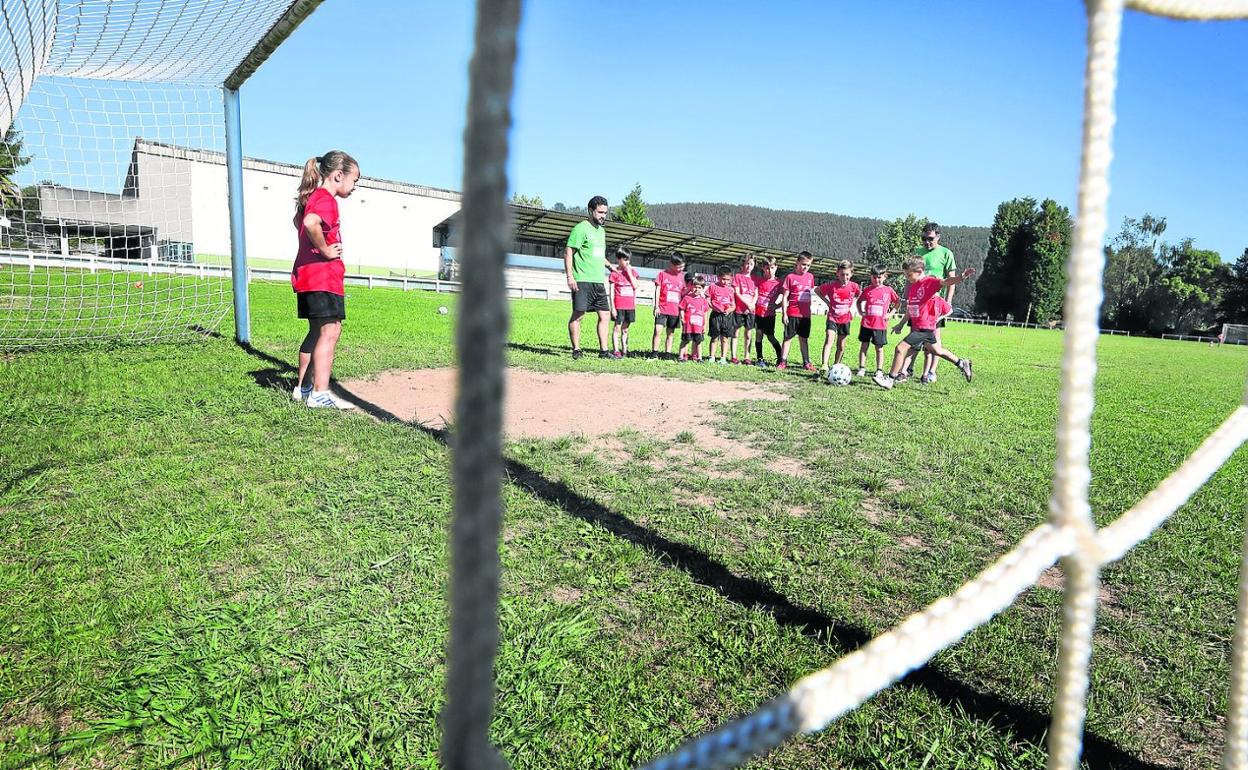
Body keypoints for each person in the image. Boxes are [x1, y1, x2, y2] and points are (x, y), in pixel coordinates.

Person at [291, 150, 359, 410]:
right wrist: (325, 250)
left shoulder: (312, 198)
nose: (354, 187)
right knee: (331, 330)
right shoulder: (325, 199)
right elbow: (310, 223)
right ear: (338, 175)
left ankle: (303, 388)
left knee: (316, 331)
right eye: (354, 180)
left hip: (307, 278)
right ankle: (320, 394)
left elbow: (300, 220)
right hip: (322, 278)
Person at [873, 258, 976, 390]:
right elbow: (912, 308)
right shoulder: (913, 286)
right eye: (905, 275)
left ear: (919, 271)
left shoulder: (929, 282)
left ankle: (890, 379)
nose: (907, 278)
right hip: (920, 327)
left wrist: (961, 277)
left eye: (909, 275)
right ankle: (962, 363)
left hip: (924, 327)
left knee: (900, 349)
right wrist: (901, 324)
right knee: (937, 350)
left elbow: (946, 281)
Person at [908, 222, 959, 381]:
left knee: (933, 340)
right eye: (923, 238)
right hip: (918, 303)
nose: (926, 242)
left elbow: (952, 280)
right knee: (913, 337)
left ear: (938, 236)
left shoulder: (946, 253)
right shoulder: (917, 252)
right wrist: (906, 298)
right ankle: (908, 369)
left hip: (935, 305)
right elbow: (909, 278)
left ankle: (930, 372)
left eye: (929, 238)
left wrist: (948, 302)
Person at [564, 195, 612, 360]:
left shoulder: (602, 231)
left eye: (605, 212)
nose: (603, 216)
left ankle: (604, 351)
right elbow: (569, 251)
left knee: (605, 315)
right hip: (582, 279)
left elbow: (598, 254)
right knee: (579, 315)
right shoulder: (581, 228)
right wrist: (570, 276)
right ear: (591, 210)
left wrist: (611, 266)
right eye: (600, 212)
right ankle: (576, 349)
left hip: (598, 280)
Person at [816, 259, 861, 371]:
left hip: (845, 319)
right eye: (842, 274)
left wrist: (855, 304)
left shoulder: (854, 286)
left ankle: (836, 366)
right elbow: (817, 290)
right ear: (837, 274)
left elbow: (860, 295)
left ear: (851, 274)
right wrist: (827, 302)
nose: (844, 277)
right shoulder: (832, 285)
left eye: (847, 275)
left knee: (841, 346)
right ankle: (825, 365)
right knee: (829, 339)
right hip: (832, 317)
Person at [855, 264, 899, 377]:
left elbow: (898, 303)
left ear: (885, 277)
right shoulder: (867, 290)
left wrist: (891, 313)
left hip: (880, 325)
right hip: (866, 325)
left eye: (879, 277)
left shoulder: (888, 290)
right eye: (874, 277)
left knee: (879, 348)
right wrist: (861, 312)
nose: (876, 280)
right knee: (864, 346)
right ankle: (862, 368)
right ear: (871, 277)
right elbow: (859, 301)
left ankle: (879, 370)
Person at [777, 251, 816, 371]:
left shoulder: (810, 277)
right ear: (797, 263)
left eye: (808, 265)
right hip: (792, 313)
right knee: (788, 338)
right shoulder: (790, 277)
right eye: (803, 264)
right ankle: (783, 361)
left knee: (804, 339)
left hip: (805, 315)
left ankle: (806, 362)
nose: (805, 267)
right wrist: (784, 313)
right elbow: (785, 297)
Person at [651, 254, 687, 359]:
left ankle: (667, 354)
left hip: (674, 310)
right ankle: (654, 354)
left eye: (682, 266)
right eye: (679, 267)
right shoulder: (662, 274)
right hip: (662, 308)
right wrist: (656, 306)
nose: (681, 269)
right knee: (658, 330)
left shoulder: (682, 276)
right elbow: (657, 290)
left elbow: (683, 293)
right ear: (671, 264)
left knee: (670, 333)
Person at [608, 247, 639, 358]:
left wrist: (629, 272)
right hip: (619, 306)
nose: (627, 262)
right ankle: (616, 350)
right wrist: (613, 307)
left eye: (628, 260)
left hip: (629, 306)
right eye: (625, 259)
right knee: (617, 327)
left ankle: (625, 350)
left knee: (625, 329)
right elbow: (611, 292)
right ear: (618, 259)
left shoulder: (633, 272)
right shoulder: (614, 274)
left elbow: (635, 286)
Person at [753, 256, 783, 368]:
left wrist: (777, 305)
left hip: (770, 314)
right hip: (758, 313)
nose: (770, 270)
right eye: (767, 268)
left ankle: (780, 358)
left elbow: (787, 296)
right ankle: (760, 359)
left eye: (772, 267)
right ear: (763, 268)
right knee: (758, 335)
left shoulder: (779, 283)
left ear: (776, 267)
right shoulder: (758, 281)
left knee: (770, 337)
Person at [731, 253, 758, 364]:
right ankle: (734, 356)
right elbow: (737, 293)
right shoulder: (738, 276)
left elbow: (756, 294)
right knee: (735, 333)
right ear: (743, 264)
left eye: (751, 264)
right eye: (747, 263)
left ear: (754, 265)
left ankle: (747, 356)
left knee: (748, 334)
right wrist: (747, 303)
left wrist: (752, 304)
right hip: (739, 310)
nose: (748, 266)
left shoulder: (755, 279)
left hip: (750, 311)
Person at [707, 265, 737, 364]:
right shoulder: (712, 287)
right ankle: (711, 357)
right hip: (716, 315)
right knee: (714, 337)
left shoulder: (731, 290)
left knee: (725, 338)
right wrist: (714, 307)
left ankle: (723, 358)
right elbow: (708, 300)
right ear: (718, 277)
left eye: (728, 280)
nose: (726, 282)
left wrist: (729, 310)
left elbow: (733, 305)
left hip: (727, 317)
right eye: (723, 279)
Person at [678, 275, 709, 362]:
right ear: (692, 286)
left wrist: (705, 325)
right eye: (695, 287)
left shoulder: (703, 301)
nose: (697, 289)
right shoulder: (687, 298)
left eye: (699, 287)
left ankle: (699, 358)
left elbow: (705, 313)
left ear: (703, 289)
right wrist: (682, 318)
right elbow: (682, 308)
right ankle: (681, 356)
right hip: (688, 326)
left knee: (698, 342)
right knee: (685, 341)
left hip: (698, 327)